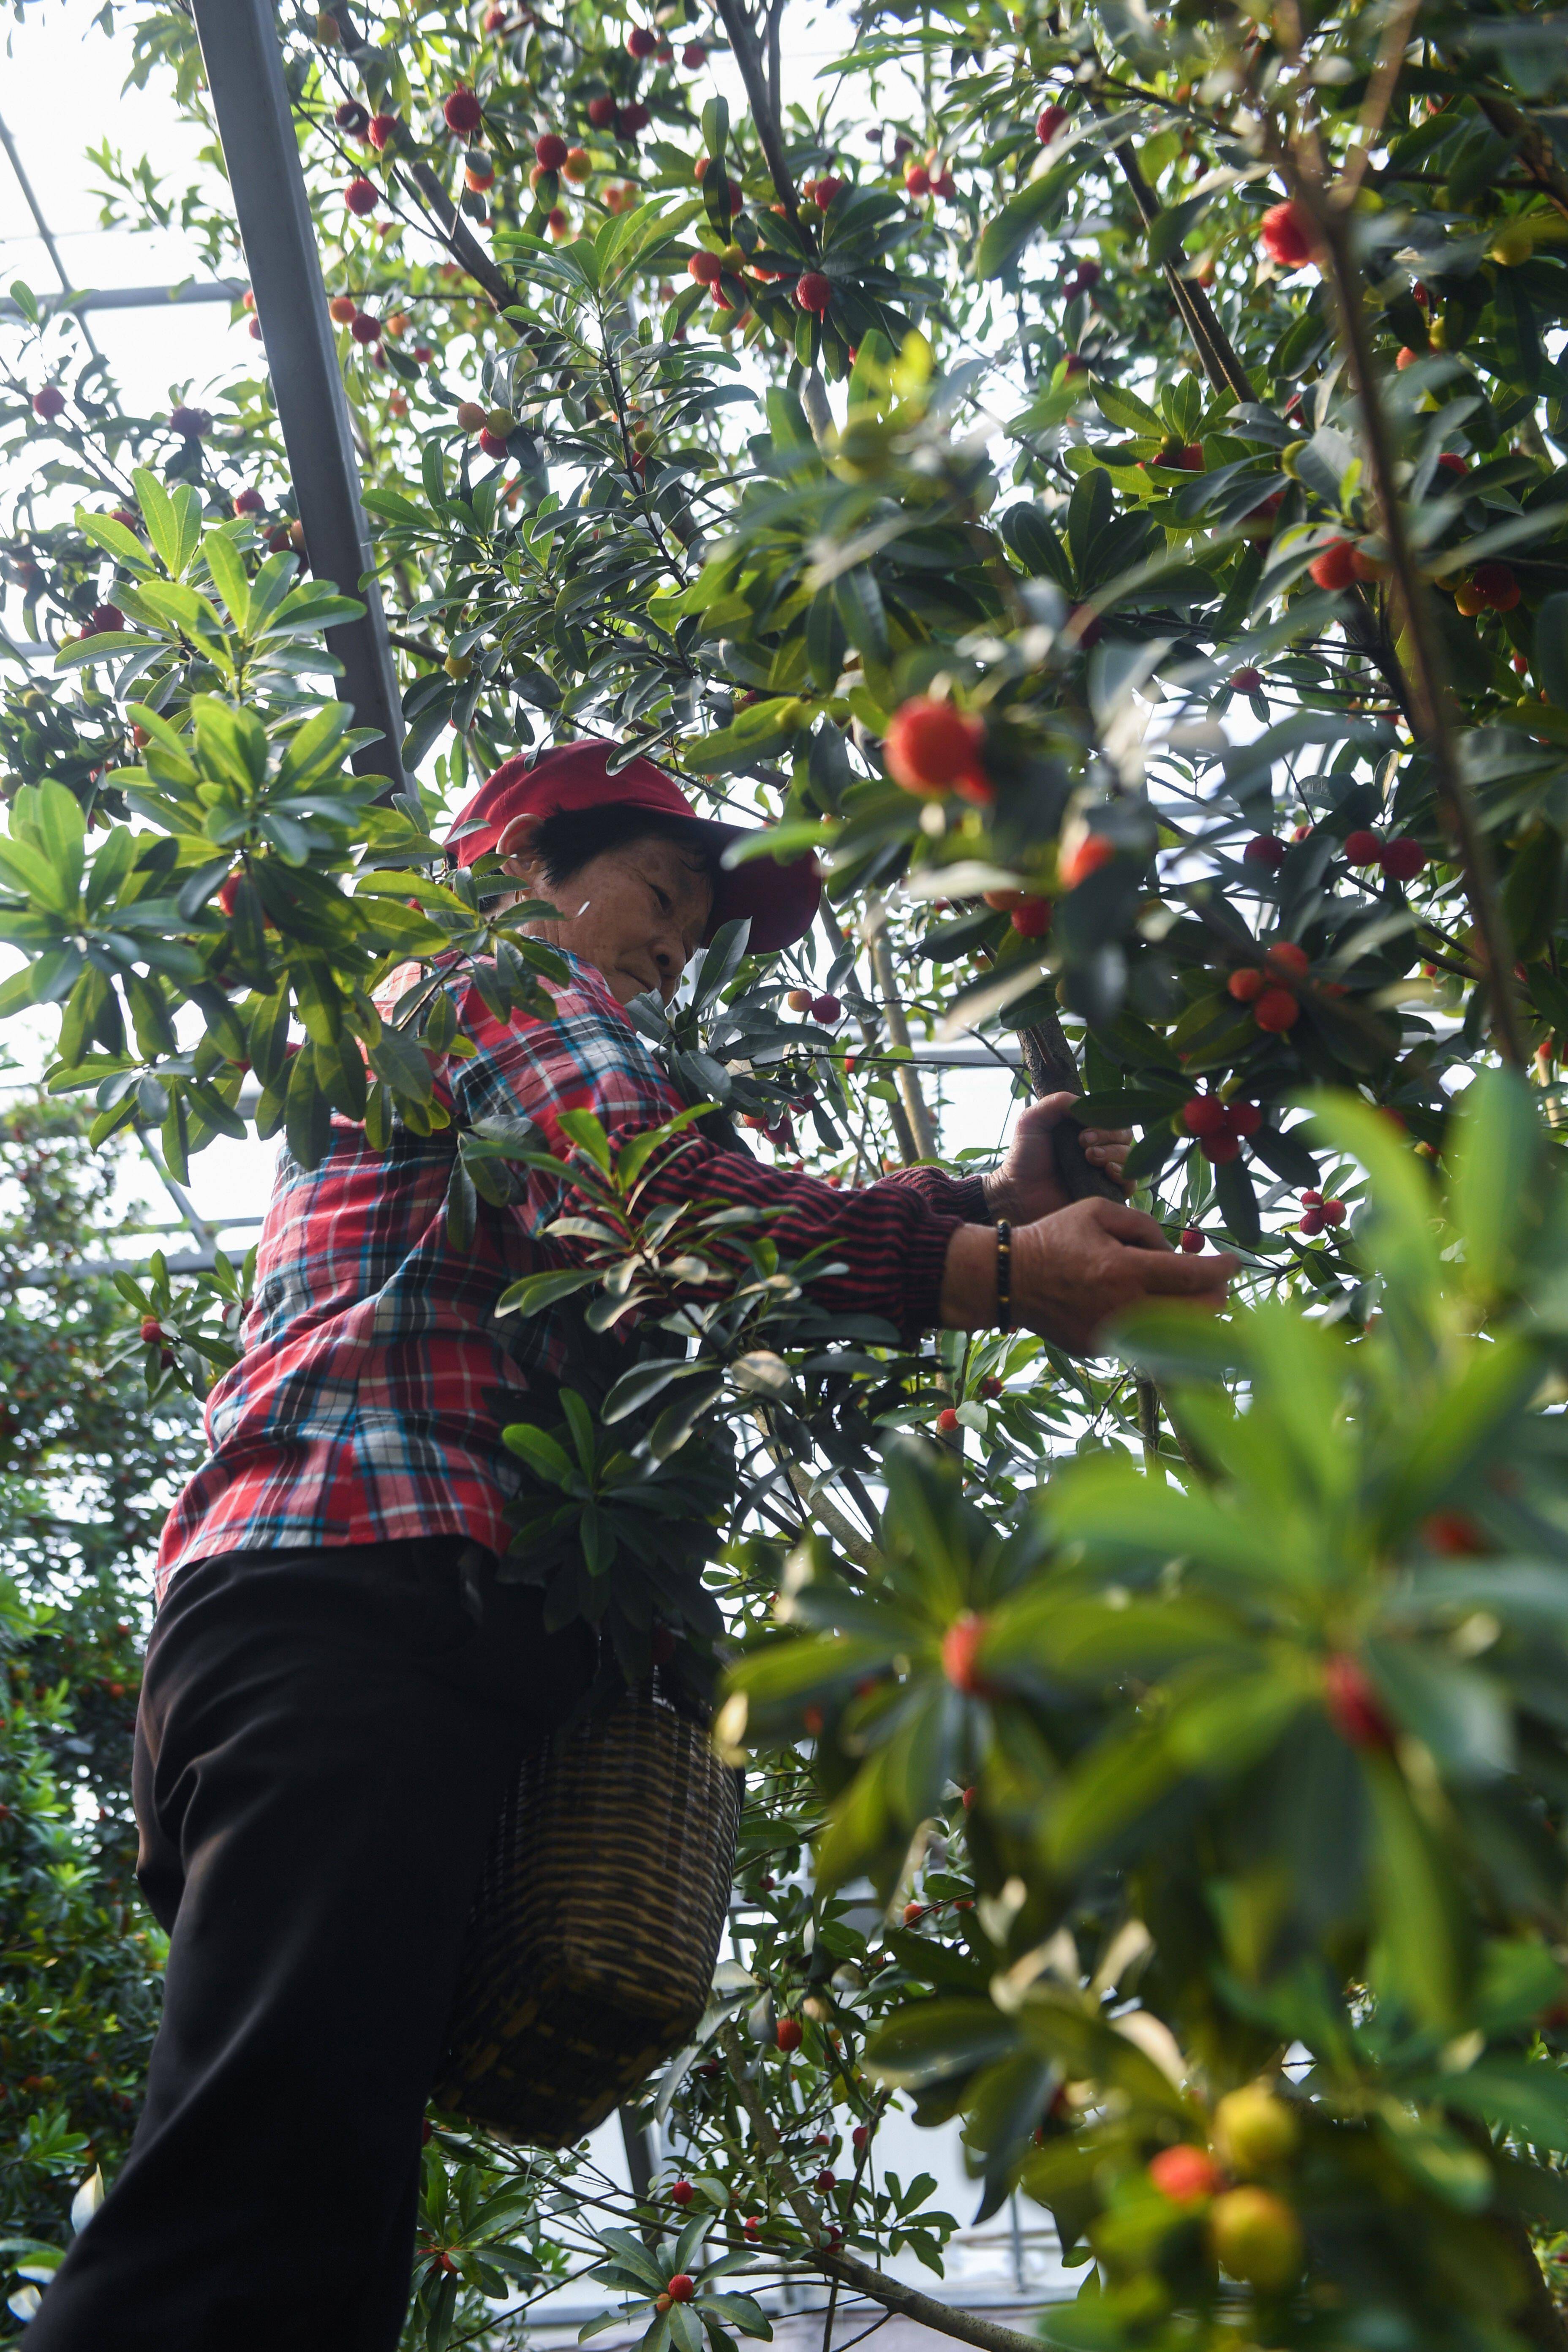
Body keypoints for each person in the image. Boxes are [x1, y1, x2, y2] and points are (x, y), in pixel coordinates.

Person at [23, 740, 1233, 2351]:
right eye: (665, 892)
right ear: (530, 863)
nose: (680, 943)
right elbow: (657, 1211)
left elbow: (669, 1210)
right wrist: (997, 1270)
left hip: (316, 1624)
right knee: (243, 2228)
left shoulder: (466, 1035)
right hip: (367, 1605)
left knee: (304, 2231)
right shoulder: (494, 976)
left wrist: (979, 1215)